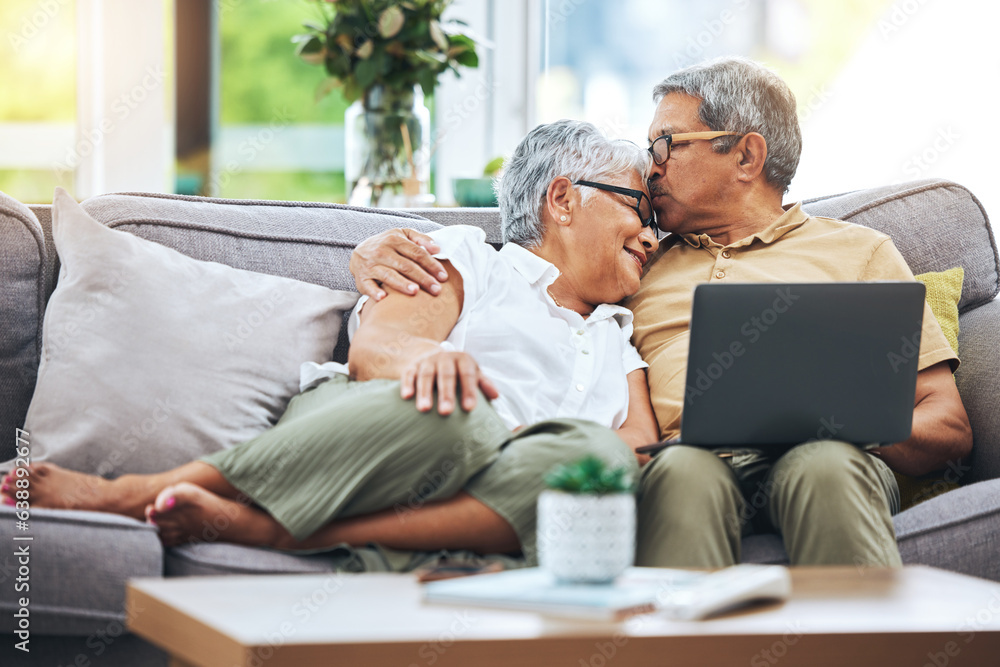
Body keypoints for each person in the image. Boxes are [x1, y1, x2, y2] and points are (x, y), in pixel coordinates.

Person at [347, 57, 973, 568]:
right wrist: (372, 248)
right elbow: (531, 267)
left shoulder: (860, 253)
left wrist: (833, 419)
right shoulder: (630, 266)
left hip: (838, 454)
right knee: (682, 474)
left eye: (667, 143)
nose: (653, 166)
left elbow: (948, 429)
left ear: (746, 157)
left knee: (827, 466)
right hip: (686, 457)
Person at [3, 120, 660, 566]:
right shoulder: (466, 256)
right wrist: (439, 365)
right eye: (640, 208)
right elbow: (379, 354)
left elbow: (630, 449)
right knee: (460, 415)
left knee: (591, 463)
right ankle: (142, 488)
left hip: (494, 489)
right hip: (397, 431)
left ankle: (274, 530)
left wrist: (556, 451)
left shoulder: (619, 335)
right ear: (564, 198)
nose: (653, 236)